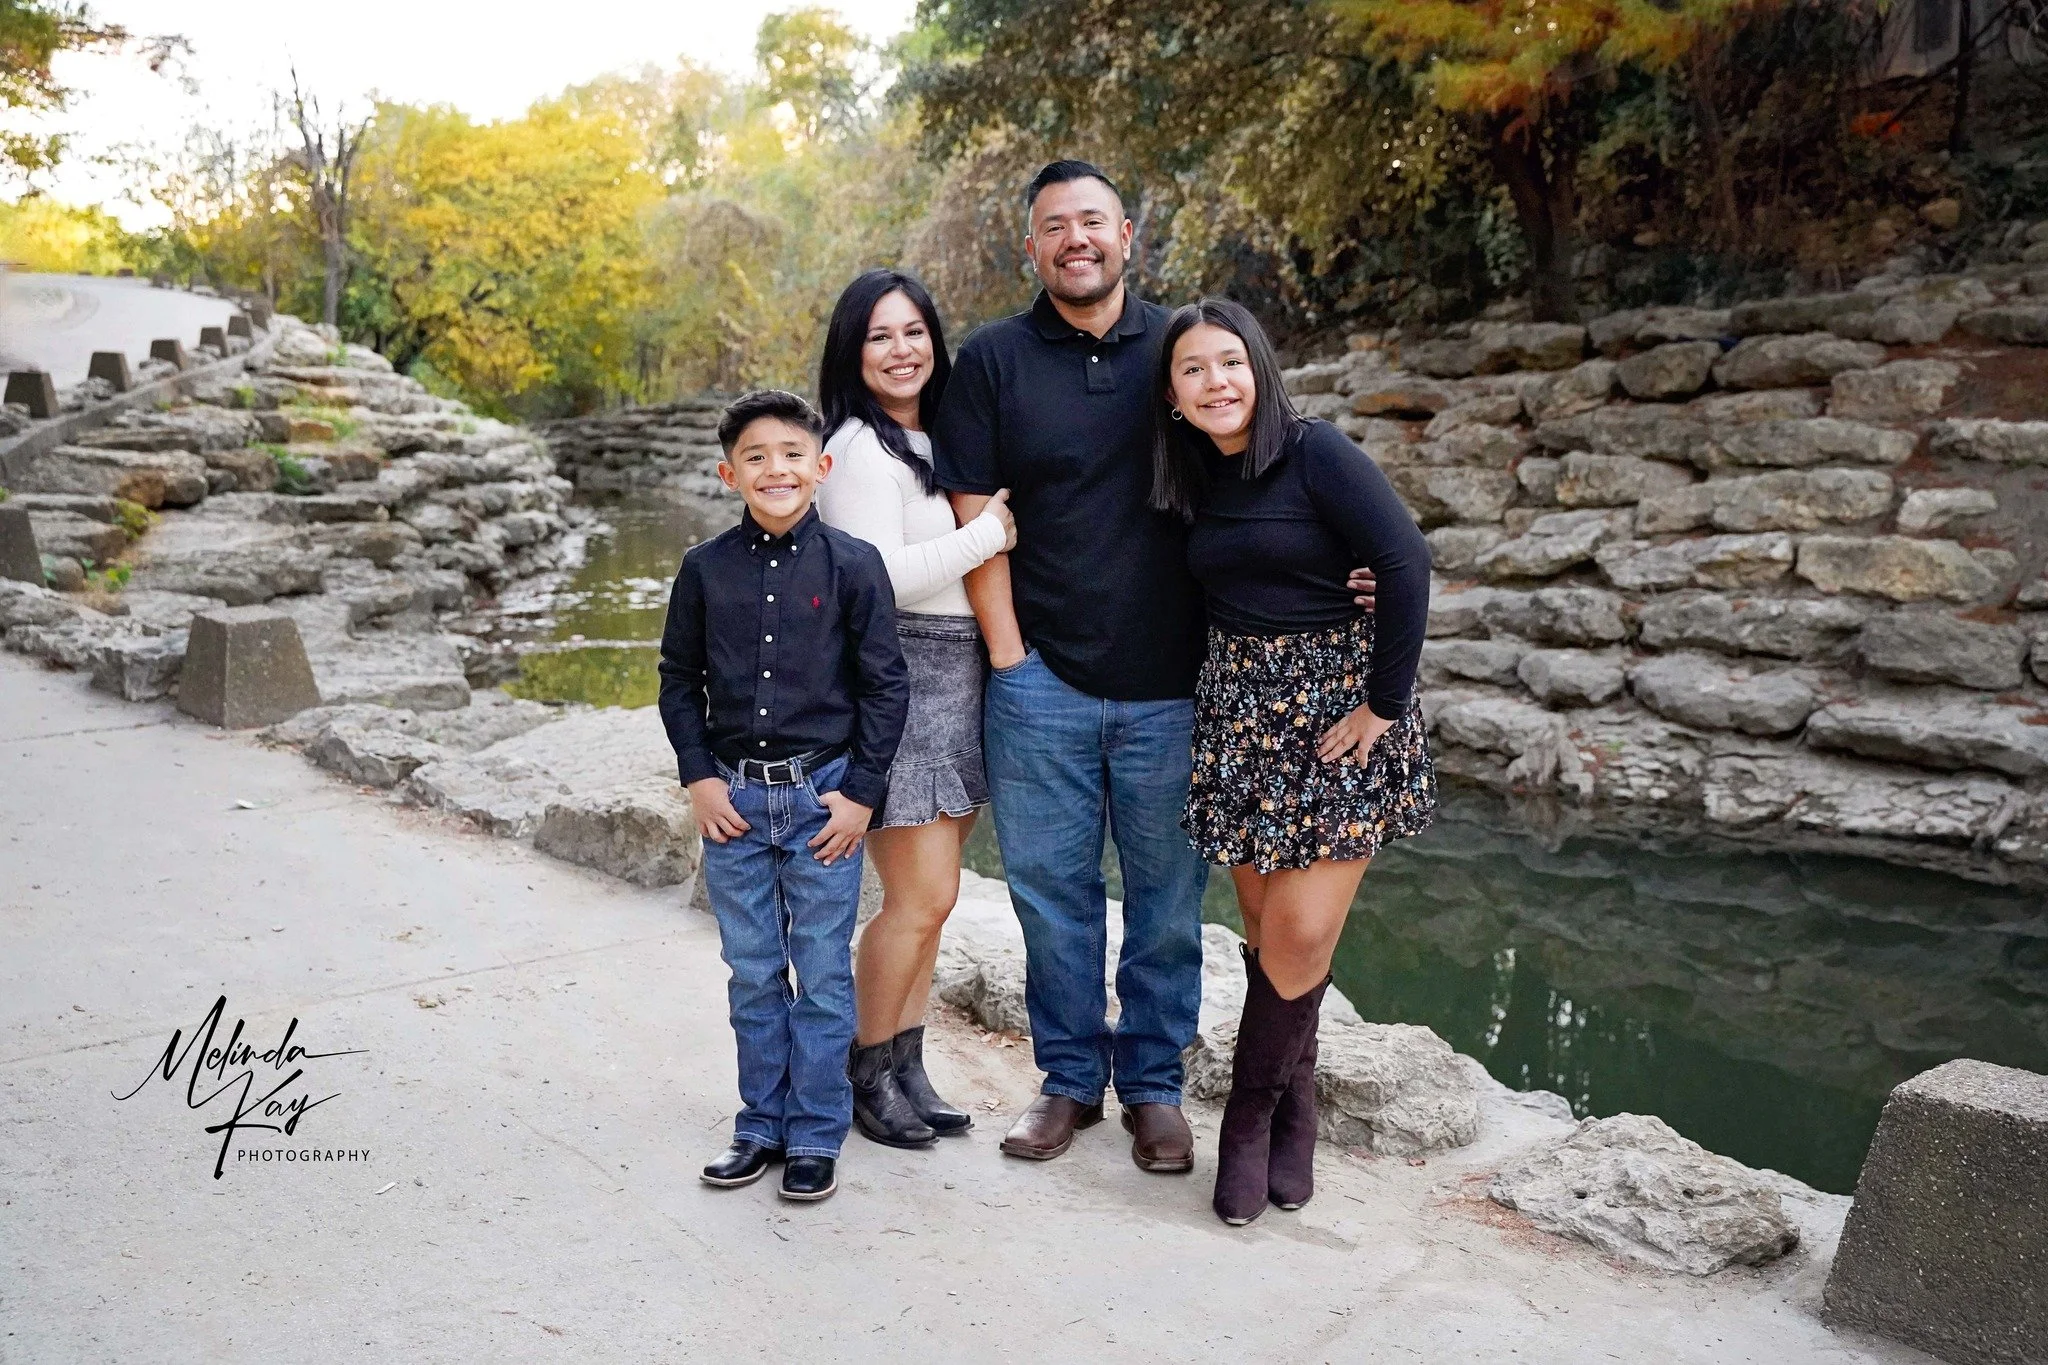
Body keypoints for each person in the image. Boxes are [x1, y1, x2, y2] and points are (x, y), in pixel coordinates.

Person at [1152, 298, 1435, 1226]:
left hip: (1335, 717)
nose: (1216, 382)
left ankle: (1248, 1116)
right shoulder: (1192, 474)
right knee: (1268, 922)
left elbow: (1403, 562)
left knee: (1302, 931)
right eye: (1194, 369)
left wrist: (1383, 706)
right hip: (1239, 717)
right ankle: (1298, 1107)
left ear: (1259, 369)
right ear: (1173, 394)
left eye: (1229, 362)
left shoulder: (1315, 451)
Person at [656, 389, 911, 1204]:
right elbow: (676, 681)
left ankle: (815, 1130)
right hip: (733, 803)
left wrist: (862, 795)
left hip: (823, 802)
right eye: (756, 457)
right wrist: (698, 776)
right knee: (754, 970)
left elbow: (885, 687)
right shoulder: (703, 569)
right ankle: (760, 1121)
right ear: (730, 473)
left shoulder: (853, 565)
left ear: (821, 467)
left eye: (793, 454)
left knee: (825, 974)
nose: (777, 469)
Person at [813, 268, 1017, 1149]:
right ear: (853, 354)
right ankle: (863, 1069)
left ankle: (907, 1062)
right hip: (901, 676)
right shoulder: (858, 447)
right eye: (880, 336)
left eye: (914, 332)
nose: (902, 350)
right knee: (917, 896)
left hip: (960, 671)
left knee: (934, 902)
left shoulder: (934, 437)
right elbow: (877, 577)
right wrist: (989, 533)